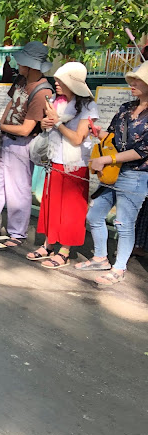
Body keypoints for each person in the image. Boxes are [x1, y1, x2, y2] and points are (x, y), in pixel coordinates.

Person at [75, 61, 148, 285]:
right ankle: (100, 257)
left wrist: (108, 158)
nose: (132, 84)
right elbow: (113, 134)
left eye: (138, 80)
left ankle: (119, 267)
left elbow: (143, 150)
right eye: (133, 80)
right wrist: (99, 132)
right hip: (112, 172)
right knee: (94, 215)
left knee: (124, 223)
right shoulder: (126, 107)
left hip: (135, 174)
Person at [26, 62, 98, 268]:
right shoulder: (56, 102)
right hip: (54, 159)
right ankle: (49, 244)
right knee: (50, 205)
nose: (56, 84)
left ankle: (64, 250)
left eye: (60, 80)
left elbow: (77, 139)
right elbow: (47, 126)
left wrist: (56, 123)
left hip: (75, 164)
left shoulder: (88, 106)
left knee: (70, 209)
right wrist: (46, 124)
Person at [0, 41, 54, 247]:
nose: (18, 63)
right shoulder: (21, 80)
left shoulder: (43, 91)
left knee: (18, 189)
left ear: (31, 65)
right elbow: (10, 103)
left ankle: (17, 233)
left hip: (23, 143)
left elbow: (26, 129)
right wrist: (0, 126)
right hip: (6, 138)